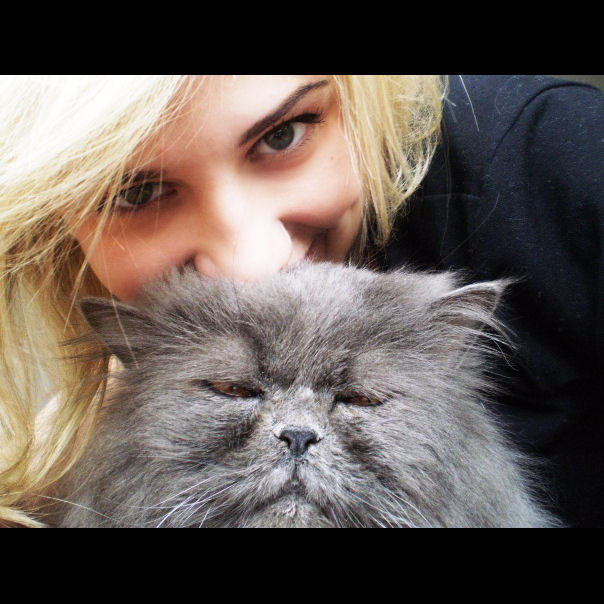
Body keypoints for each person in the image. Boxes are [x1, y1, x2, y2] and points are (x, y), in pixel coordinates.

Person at [0, 75, 601, 527]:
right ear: (52, 228)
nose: (252, 260)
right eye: (136, 192)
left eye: (281, 135)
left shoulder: (552, 157)